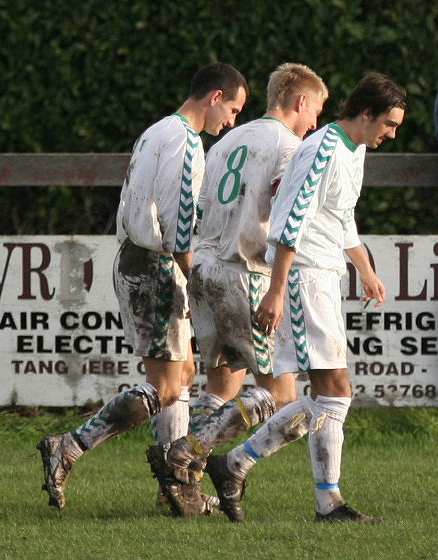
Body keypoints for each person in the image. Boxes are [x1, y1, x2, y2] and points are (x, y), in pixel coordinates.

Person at [36, 62, 248, 512]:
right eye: (232, 108)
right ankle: (69, 447)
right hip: (155, 265)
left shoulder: (157, 130)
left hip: (138, 257)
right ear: (214, 97)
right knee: (169, 386)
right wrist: (198, 278)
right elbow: (177, 224)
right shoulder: (187, 142)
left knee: (181, 376)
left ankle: (175, 490)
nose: (231, 121)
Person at [205, 72, 407, 523]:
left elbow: (341, 218)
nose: (391, 134)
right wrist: (276, 290)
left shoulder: (353, 151)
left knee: (323, 396)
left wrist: (366, 270)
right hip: (302, 279)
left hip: (324, 275)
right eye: (389, 124)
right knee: (334, 391)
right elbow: (288, 222)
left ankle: (233, 463)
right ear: (367, 113)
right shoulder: (321, 149)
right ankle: (327, 503)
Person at [146, 63, 328, 518]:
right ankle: (185, 452)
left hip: (204, 267)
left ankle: (181, 482)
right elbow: (288, 218)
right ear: (300, 101)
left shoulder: (227, 139)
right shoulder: (290, 147)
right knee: (283, 395)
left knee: (222, 384)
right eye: (317, 110)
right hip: (245, 272)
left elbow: (201, 206)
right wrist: (280, 286)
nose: (316, 124)